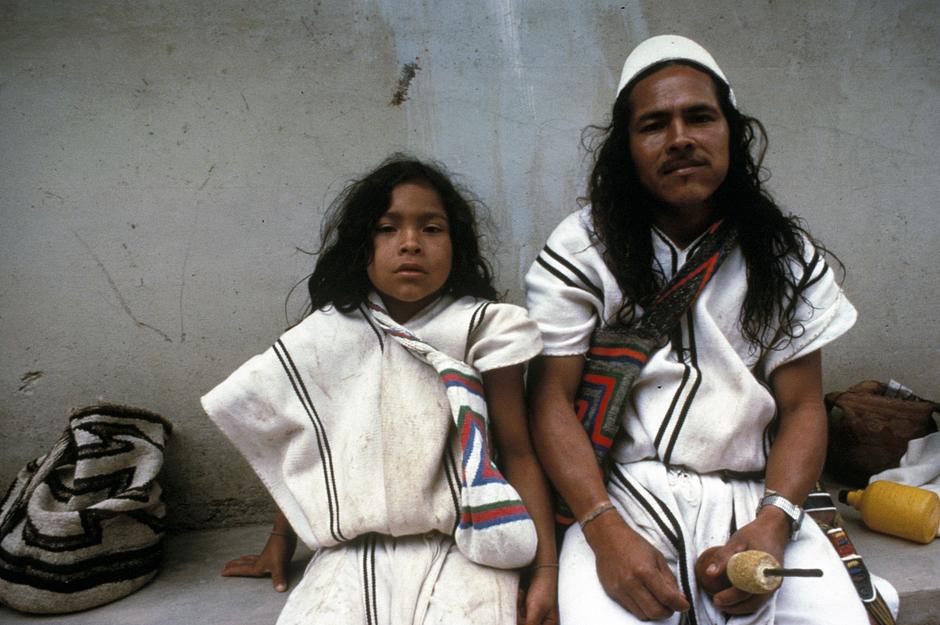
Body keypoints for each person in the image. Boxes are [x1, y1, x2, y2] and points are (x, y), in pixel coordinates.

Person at [525, 35, 897, 624]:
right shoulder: (583, 248)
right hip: (622, 501)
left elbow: (802, 409)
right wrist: (602, 531)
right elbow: (549, 401)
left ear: (731, 131)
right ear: (627, 146)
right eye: (654, 125)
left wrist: (774, 522)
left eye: (699, 117)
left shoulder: (784, 254)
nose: (680, 139)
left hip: (753, 498)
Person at [202, 156, 558, 625]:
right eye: (387, 229)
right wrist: (281, 541)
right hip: (351, 550)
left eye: (432, 229)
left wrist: (546, 572)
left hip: (466, 546)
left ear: (457, 244)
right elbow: (308, 447)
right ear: (360, 245)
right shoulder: (326, 335)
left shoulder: (486, 330)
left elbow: (518, 453)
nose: (410, 244)